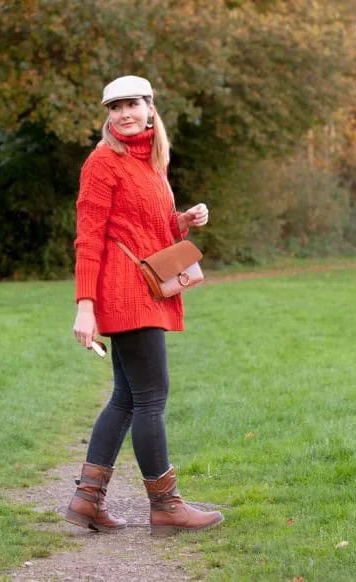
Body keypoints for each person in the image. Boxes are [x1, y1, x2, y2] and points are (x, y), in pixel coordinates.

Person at [65, 75, 224, 536]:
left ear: (151, 107)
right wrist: (85, 305)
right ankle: (166, 507)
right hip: (125, 292)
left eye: (130, 104)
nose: (122, 115)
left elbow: (148, 231)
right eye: (113, 108)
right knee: (151, 397)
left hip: (142, 287)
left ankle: (87, 500)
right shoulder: (103, 162)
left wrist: (183, 221)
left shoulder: (151, 162)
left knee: (127, 397)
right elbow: (89, 238)